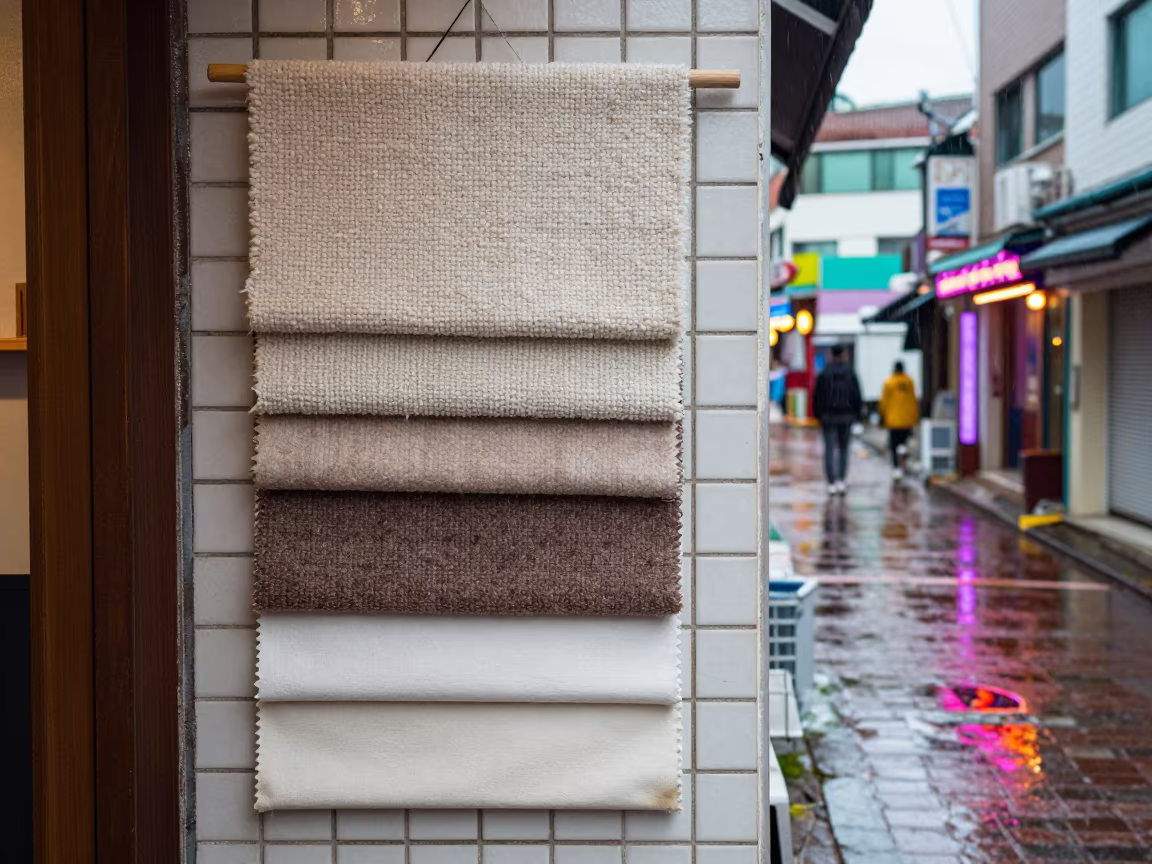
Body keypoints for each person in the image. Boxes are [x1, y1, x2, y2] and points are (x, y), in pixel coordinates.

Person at [812, 345, 863, 495]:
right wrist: (857, 415)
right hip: (847, 416)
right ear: (844, 354)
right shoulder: (850, 372)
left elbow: (817, 395)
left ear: (831, 354)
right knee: (843, 449)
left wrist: (818, 415)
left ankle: (831, 483)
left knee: (829, 449)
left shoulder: (824, 372)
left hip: (828, 417)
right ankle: (841, 480)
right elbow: (856, 394)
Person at [879, 360, 919, 480]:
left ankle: (896, 468)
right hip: (907, 420)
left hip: (893, 420)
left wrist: (881, 415)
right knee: (904, 442)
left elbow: (884, 402)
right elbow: (913, 401)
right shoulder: (909, 382)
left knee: (893, 445)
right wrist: (914, 417)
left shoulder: (889, 382)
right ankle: (903, 455)